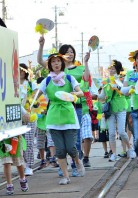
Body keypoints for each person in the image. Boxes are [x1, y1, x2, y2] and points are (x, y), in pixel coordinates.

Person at [37, 36, 92, 172]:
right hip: (56, 110)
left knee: (74, 141)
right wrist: (41, 45)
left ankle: (75, 164)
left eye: (71, 51)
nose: (70, 53)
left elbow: (86, 79)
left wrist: (85, 62)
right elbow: (40, 61)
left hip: (74, 107)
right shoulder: (53, 72)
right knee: (60, 144)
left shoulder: (75, 71)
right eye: (66, 51)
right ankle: (63, 168)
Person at [37, 53, 85, 185]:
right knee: (60, 150)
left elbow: (80, 92)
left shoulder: (69, 78)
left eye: (58, 61)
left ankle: (77, 161)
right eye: (53, 62)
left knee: (70, 147)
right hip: (53, 117)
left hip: (69, 115)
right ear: (50, 65)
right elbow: (36, 95)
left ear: (62, 64)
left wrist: (75, 94)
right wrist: (31, 103)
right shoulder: (46, 80)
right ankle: (65, 176)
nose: (56, 64)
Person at [98, 60, 135, 162]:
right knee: (112, 133)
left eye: (113, 69)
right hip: (110, 110)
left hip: (121, 108)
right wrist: (94, 95)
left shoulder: (121, 81)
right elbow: (101, 95)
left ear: (118, 70)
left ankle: (130, 148)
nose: (111, 71)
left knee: (122, 132)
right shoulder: (106, 82)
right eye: (110, 69)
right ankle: (113, 153)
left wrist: (129, 88)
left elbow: (124, 91)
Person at [19, 63, 38, 176]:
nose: (21, 72)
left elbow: (37, 99)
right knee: (20, 143)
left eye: (23, 70)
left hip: (30, 117)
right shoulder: (12, 85)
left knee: (29, 141)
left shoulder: (31, 84)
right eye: (19, 70)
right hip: (17, 118)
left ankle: (29, 166)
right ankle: (22, 163)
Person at [35, 77, 57, 170]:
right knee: (40, 142)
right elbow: (33, 106)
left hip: (49, 120)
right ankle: (43, 160)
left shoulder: (49, 93)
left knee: (51, 141)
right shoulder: (35, 94)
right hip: (40, 122)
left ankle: (53, 158)